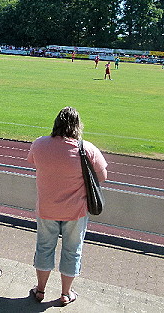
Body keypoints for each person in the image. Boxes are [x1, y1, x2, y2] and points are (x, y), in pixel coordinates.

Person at [27, 107, 107, 306]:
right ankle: (65, 293)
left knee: (44, 248)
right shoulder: (86, 149)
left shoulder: (39, 144)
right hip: (76, 211)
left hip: (47, 208)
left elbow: (34, 163)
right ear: (77, 126)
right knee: (72, 250)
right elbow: (102, 177)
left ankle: (40, 289)